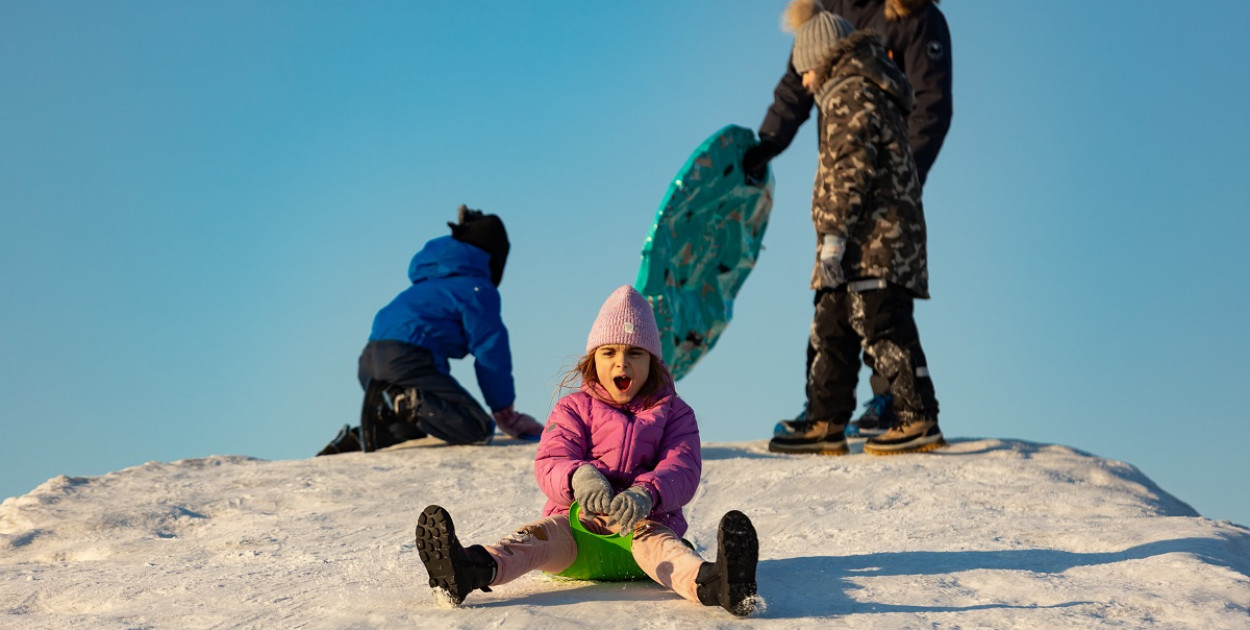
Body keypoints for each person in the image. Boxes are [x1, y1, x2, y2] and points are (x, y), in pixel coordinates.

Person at [414, 285, 760, 616]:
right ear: (593, 360)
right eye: (609, 353)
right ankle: (470, 569)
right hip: (575, 532)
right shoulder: (574, 409)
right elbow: (552, 458)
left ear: (653, 361)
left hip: (642, 531)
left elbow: (683, 468)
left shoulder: (675, 414)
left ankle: (716, 584)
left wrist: (647, 493)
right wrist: (580, 476)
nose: (621, 364)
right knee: (533, 539)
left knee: (668, 551)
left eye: (634, 353)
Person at [743, 0, 952, 436]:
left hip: (879, 214)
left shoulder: (914, 20)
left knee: (879, 311)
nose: (806, 80)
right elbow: (797, 82)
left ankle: (903, 406)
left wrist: (900, 178)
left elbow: (928, 107)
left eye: (809, 72)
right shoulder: (828, 14)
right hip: (848, 207)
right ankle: (825, 413)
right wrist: (768, 140)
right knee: (832, 313)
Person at [317, 205, 543, 456]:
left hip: (370, 361)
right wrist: (505, 412)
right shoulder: (476, 289)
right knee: (474, 426)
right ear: (493, 256)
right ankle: (408, 401)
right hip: (406, 358)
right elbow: (490, 349)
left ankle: (358, 438)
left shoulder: (428, 285)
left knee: (419, 426)